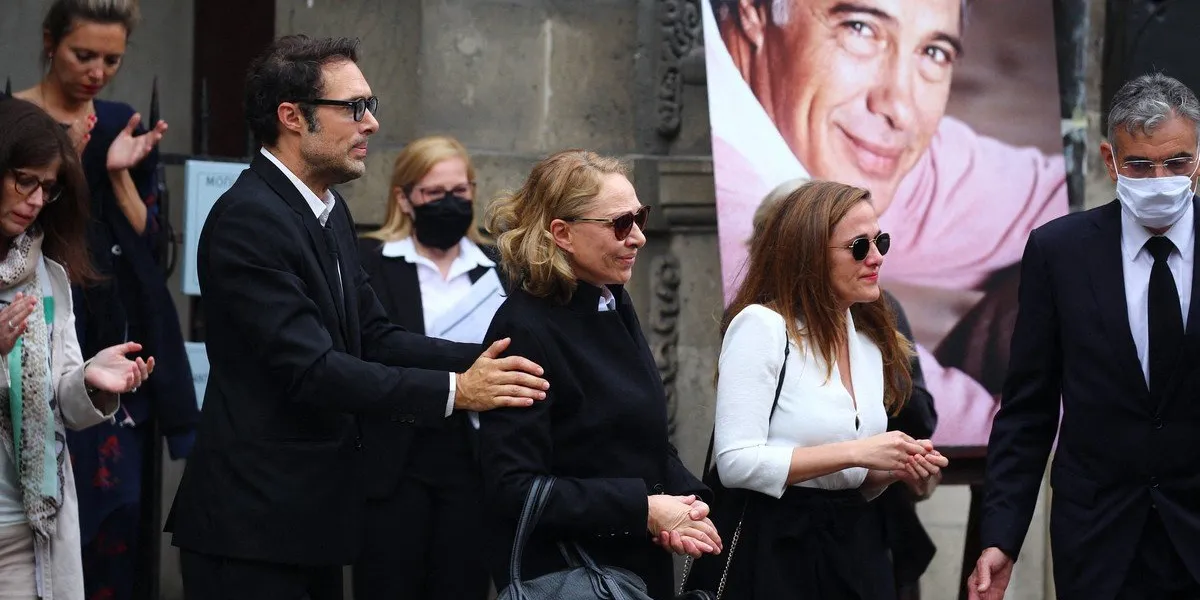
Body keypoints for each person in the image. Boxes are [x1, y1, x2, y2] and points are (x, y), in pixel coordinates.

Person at [164, 35, 549, 600]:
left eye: (371, 105)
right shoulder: (250, 218)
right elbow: (313, 370)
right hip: (250, 528)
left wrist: (494, 361)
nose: (371, 123)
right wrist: (457, 391)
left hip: (310, 522)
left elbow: (374, 335)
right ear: (292, 117)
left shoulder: (328, 208)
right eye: (354, 107)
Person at [703, 0, 1068, 447]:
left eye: (934, 51)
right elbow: (981, 431)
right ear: (752, 10)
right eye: (859, 28)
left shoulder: (825, 120)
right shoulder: (741, 233)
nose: (901, 109)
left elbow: (1062, 205)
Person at [969, 72, 1200, 599]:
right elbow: (1028, 409)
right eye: (1140, 164)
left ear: (1199, 159)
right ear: (1109, 161)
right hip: (1099, 542)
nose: (1159, 178)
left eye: (1176, 162)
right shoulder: (1060, 252)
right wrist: (1001, 536)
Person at [478, 149, 722, 600]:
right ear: (562, 233)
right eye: (621, 224)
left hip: (635, 570)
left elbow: (640, 439)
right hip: (570, 577)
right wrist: (643, 510)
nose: (639, 238)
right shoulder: (524, 327)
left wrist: (689, 504)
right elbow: (514, 488)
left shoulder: (611, 301)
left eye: (640, 217)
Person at [14, 3, 197, 597]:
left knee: (116, 521)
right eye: (84, 55)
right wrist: (69, 158)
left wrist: (117, 171)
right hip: (39, 318)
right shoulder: (13, 118)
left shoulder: (119, 121)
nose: (97, 71)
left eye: (111, 60)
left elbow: (149, 239)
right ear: (50, 43)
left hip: (112, 317)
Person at [712, 179, 946, 598]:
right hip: (778, 550)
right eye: (859, 247)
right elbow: (735, 462)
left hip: (855, 547)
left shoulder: (868, 339)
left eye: (881, 241)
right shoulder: (762, 325)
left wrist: (892, 469)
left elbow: (848, 478)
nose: (876, 257)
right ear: (810, 254)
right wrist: (858, 452)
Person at [0, 97, 153, 598]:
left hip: (27, 528)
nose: (36, 200)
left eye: (48, 188)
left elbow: (60, 400)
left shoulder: (45, 274)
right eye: (24, 180)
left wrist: (90, 379)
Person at [353, 135, 501, 600]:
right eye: (435, 193)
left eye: (459, 191)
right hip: (394, 463)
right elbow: (369, 349)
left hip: (473, 464)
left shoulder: (500, 268)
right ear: (404, 198)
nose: (449, 202)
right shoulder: (369, 262)